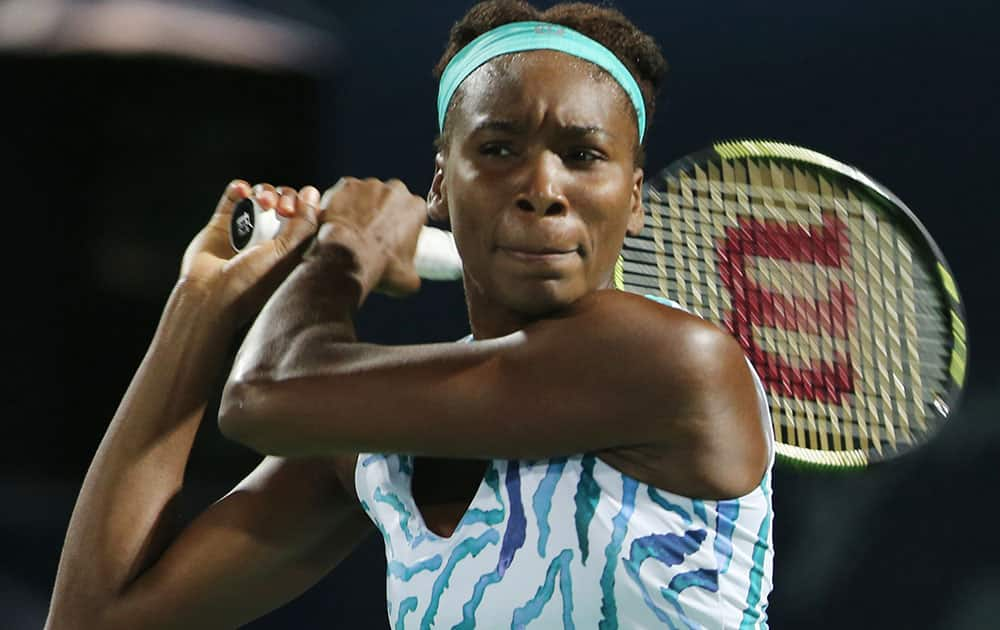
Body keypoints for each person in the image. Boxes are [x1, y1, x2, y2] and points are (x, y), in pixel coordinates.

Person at [47, 1, 773, 628]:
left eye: (583, 155)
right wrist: (201, 305)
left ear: (635, 197)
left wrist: (340, 258)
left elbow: (262, 399)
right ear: (440, 186)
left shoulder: (675, 363)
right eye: (498, 148)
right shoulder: (380, 445)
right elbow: (95, 618)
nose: (544, 188)